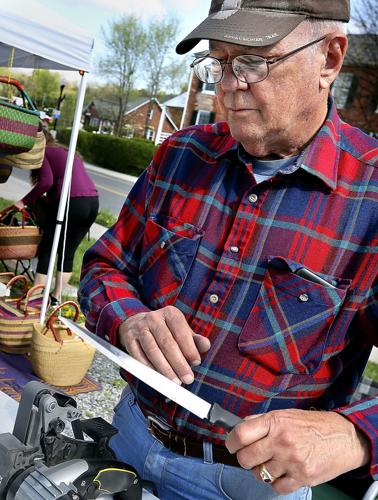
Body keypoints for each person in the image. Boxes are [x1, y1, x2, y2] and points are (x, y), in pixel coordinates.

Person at [78, 1, 377, 499]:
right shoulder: (182, 155)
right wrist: (127, 316)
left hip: (247, 486)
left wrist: (352, 435)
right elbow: (104, 264)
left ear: (329, 58)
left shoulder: (369, 199)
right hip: (128, 436)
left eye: (254, 62)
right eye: (219, 62)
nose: (230, 86)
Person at [14, 128, 99, 305]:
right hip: (92, 202)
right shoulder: (66, 152)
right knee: (68, 252)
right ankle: (55, 298)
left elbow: (46, 182)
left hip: (71, 202)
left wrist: (23, 201)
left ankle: (35, 298)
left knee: (47, 249)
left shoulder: (44, 153)